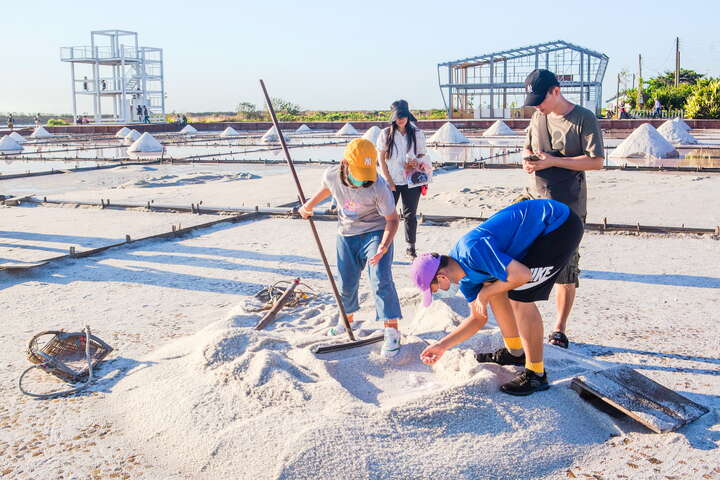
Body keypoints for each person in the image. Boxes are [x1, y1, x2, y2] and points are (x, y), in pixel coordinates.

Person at [414, 199, 583, 395]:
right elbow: (478, 318)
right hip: (538, 231)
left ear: (441, 277)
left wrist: (486, 293)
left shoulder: (472, 251)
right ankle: (515, 353)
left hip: (559, 224)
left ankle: (536, 374)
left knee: (519, 296)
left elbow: (522, 276)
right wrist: (442, 346)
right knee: (494, 288)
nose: (436, 292)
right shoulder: (466, 278)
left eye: (433, 288)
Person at [520, 69, 604, 349]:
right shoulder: (537, 117)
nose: (537, 106)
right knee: (519, 257)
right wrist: (529, 162)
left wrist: (553, 162)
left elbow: (596, 162)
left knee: (566, 269)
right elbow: (527, 149)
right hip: (534, 200)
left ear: (556, 91)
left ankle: (559, 328)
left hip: (568, 206)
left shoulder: (583, 118)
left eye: (540, 99)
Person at [299, 138, 403, 358]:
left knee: (380, 277)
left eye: (366, 176)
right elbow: (326, 189)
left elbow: (393, 219)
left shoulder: (378, 185)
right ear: (345, 163)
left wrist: (384, 246)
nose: (362, 181)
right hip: (347, 234)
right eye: (358, 174)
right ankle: (348, 320)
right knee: (346, 281)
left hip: (376, 232)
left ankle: (392, 330)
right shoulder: (331, 175)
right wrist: (308, 206)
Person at [377, 100, 427, 260]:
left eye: (404, 116)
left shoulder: (417, 133)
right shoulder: (385, 134)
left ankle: (410, 248)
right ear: (393, 118)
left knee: (410, 215)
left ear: (408, 116)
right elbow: (381, 159)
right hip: (391, 181)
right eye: (398, 116)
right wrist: (389, 181)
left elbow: (422, 156)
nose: (401, 119)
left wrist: (415, 162)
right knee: (386, 214)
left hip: (411, 181)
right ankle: (383, 246)